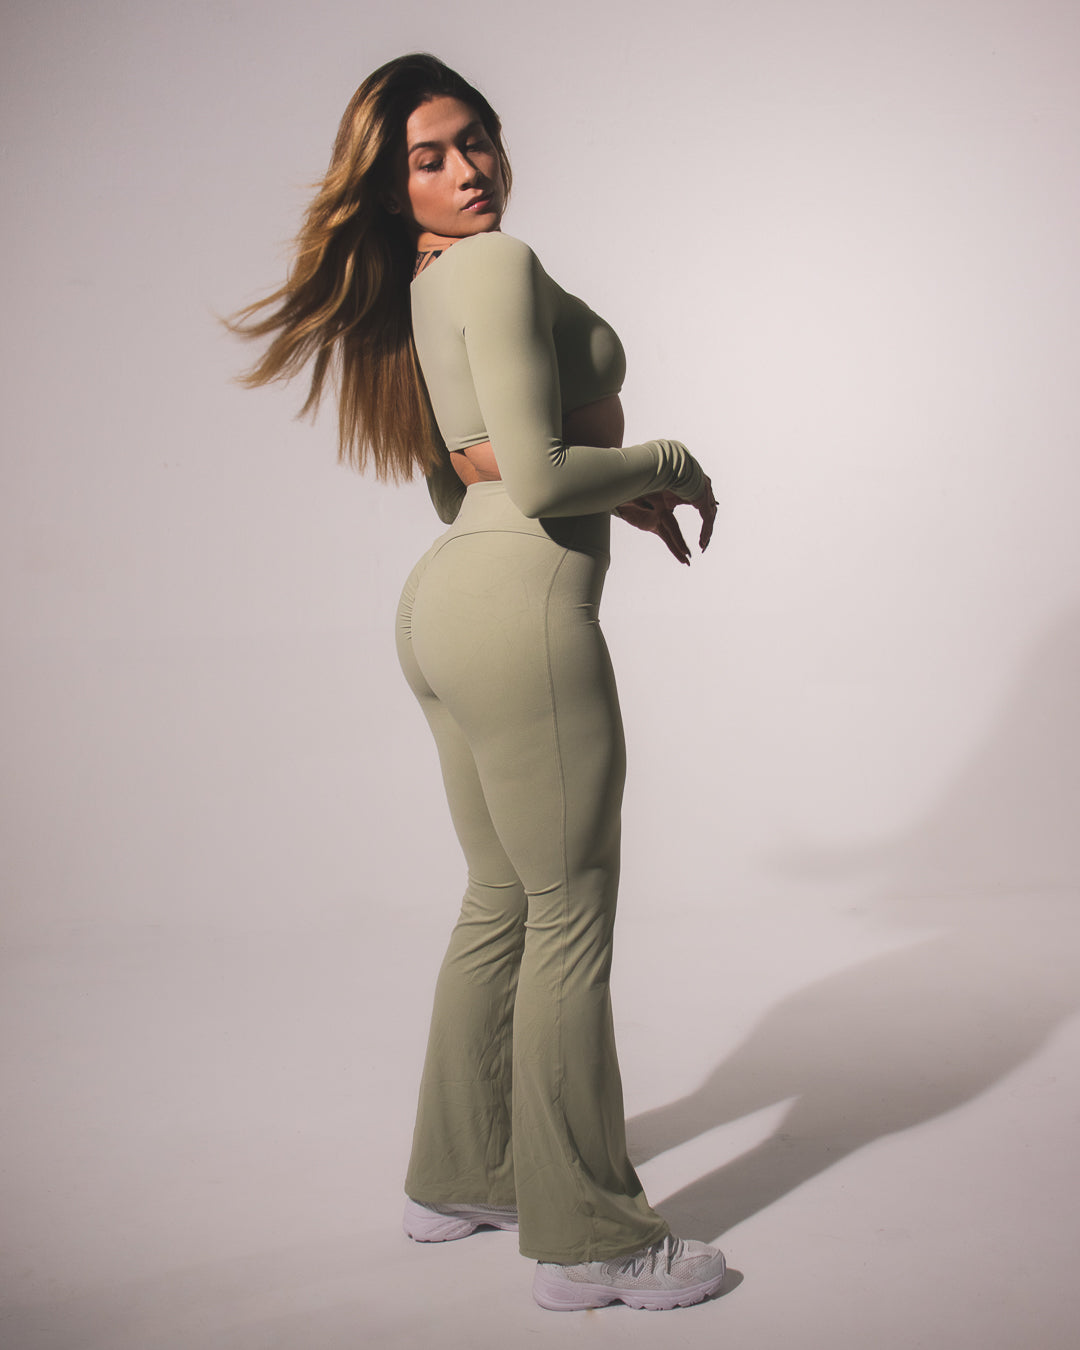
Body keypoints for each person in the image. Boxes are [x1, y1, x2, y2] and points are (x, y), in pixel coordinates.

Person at [229, 53, 725, 1313]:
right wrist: (668, 460)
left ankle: (459, 1175)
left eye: (476, 139)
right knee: (570, 911)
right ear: (393, 188)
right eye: (429, 157)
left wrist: (610, 486)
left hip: (445, 605)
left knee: (504, 897)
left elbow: (471, 472)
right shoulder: (494, 266)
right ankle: (593, 1242)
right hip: (518, 615)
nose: (469, 170)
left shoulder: (429, 288)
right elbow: (545, 479)